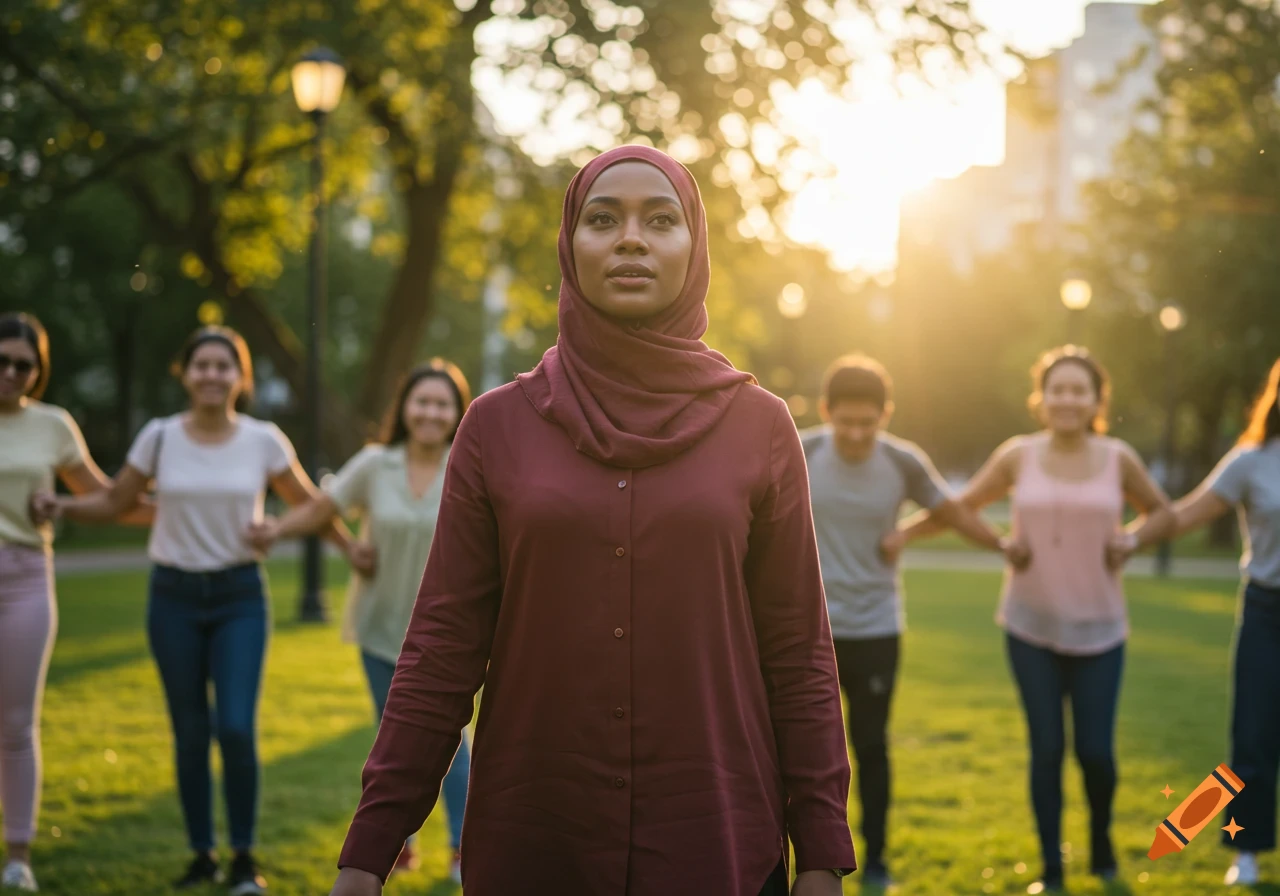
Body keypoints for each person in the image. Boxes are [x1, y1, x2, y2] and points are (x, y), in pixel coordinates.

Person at [326, 145, 855, 896]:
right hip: (539, 839)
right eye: (603, 219)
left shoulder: (760, 426)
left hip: (716, 843)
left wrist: (824, 854)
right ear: (571, 246)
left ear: (694, 246)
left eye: (661, 220)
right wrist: (367, 853)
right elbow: (442, 647)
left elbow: (799, 652)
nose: (631, 238)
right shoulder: (495, 427)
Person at [33, 326, 353, 895]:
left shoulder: (263, 440)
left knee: (234, 726)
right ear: (185, 373)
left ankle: (243, 860)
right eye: (200, 365)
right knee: (188, 730)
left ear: (240, 378)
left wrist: (344, 547)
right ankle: (201, 854)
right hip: (174, 599)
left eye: (222, 366)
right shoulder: (159, 438)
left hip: (239, 599)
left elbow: (314, 505)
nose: (211, 375)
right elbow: (114, 500)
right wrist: (60, 504)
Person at [896, 346, 1174, 894]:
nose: (1067, 399)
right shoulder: (1018, 455)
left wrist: (1132, 539)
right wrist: (914, 535)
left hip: (1100, 629)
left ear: (1096, 399)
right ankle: (1051, 869)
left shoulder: (1117, 457)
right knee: (1046, 748)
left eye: (1079, 390)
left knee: (1095, 752)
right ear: (1041, 399)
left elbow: (1163, 511)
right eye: (1057, 389)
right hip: (1030, 628)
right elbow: (961, 506)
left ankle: (1101, 847)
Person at [246, 360, 473, 882]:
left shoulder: (468, 462)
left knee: (454, 740)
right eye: (423, 401)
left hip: (446, 634)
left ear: (457, 411)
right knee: (393, 739)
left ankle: (463, 845)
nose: (432, 412)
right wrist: (275, 530)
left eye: (443, 403)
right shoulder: (376, 464)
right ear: (405, 408)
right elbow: (324, 507)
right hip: (379, 626)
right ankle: (400, 842)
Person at [802, 354, 1010, 889]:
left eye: (866, 423)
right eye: (844, 421)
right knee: (800, 753)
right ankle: (801, 860)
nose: (854, 433)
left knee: (870, 744)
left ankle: (876, 859)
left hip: (875, 626)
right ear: (826, 411)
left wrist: (1003, 546)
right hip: (804, 631)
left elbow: (951, 510)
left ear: (885, 414)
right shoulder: (801, 450)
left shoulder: (903, 461)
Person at [0, 312, 150, 892]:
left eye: (24, 364)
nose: (11, 372)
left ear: (38, 372)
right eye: (2, 360)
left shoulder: (53, 426)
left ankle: (18, 856)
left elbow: (111, 499)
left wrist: (188, 507)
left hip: (25, 581)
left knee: (16, 724)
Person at [1171, 357, 1280, 887]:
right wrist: (1123, 536)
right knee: (1253, 735)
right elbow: (1187, 513)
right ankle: (1246, 852)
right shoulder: (1251, 461)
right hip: (1266, 609)